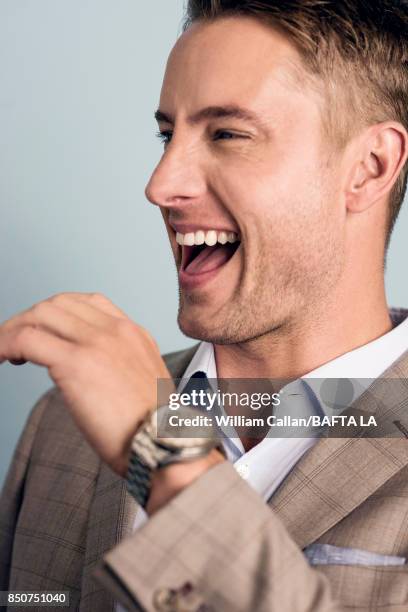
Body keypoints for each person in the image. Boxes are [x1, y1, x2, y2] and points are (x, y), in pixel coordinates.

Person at [1, 1, 408, 610]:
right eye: (168, 135)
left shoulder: (139, 421)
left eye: (227, 134)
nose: (161, 184)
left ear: (369, 168)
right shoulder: (62, 424)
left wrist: (162, 449)